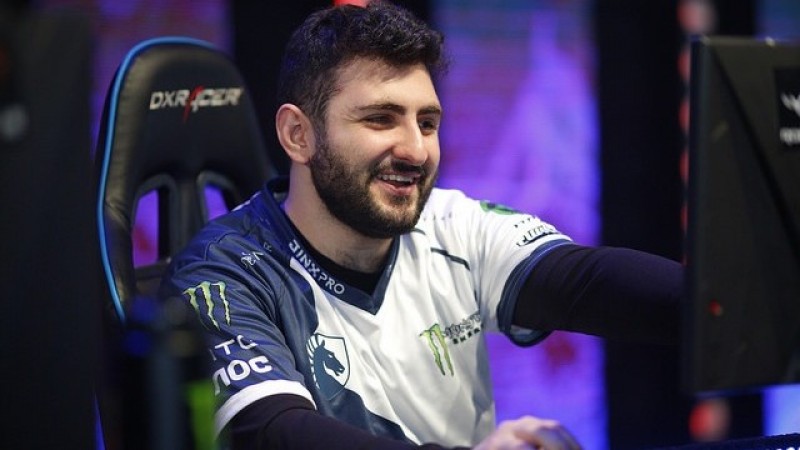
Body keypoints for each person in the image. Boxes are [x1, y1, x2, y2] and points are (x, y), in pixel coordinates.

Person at [159, 2, 682, 449]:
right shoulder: (221, 273)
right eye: (380, 119)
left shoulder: (455, 223)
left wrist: (717, 308)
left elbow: (588, 281)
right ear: (299, 134)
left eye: (427, 123)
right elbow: (275, 433)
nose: (415, 150)